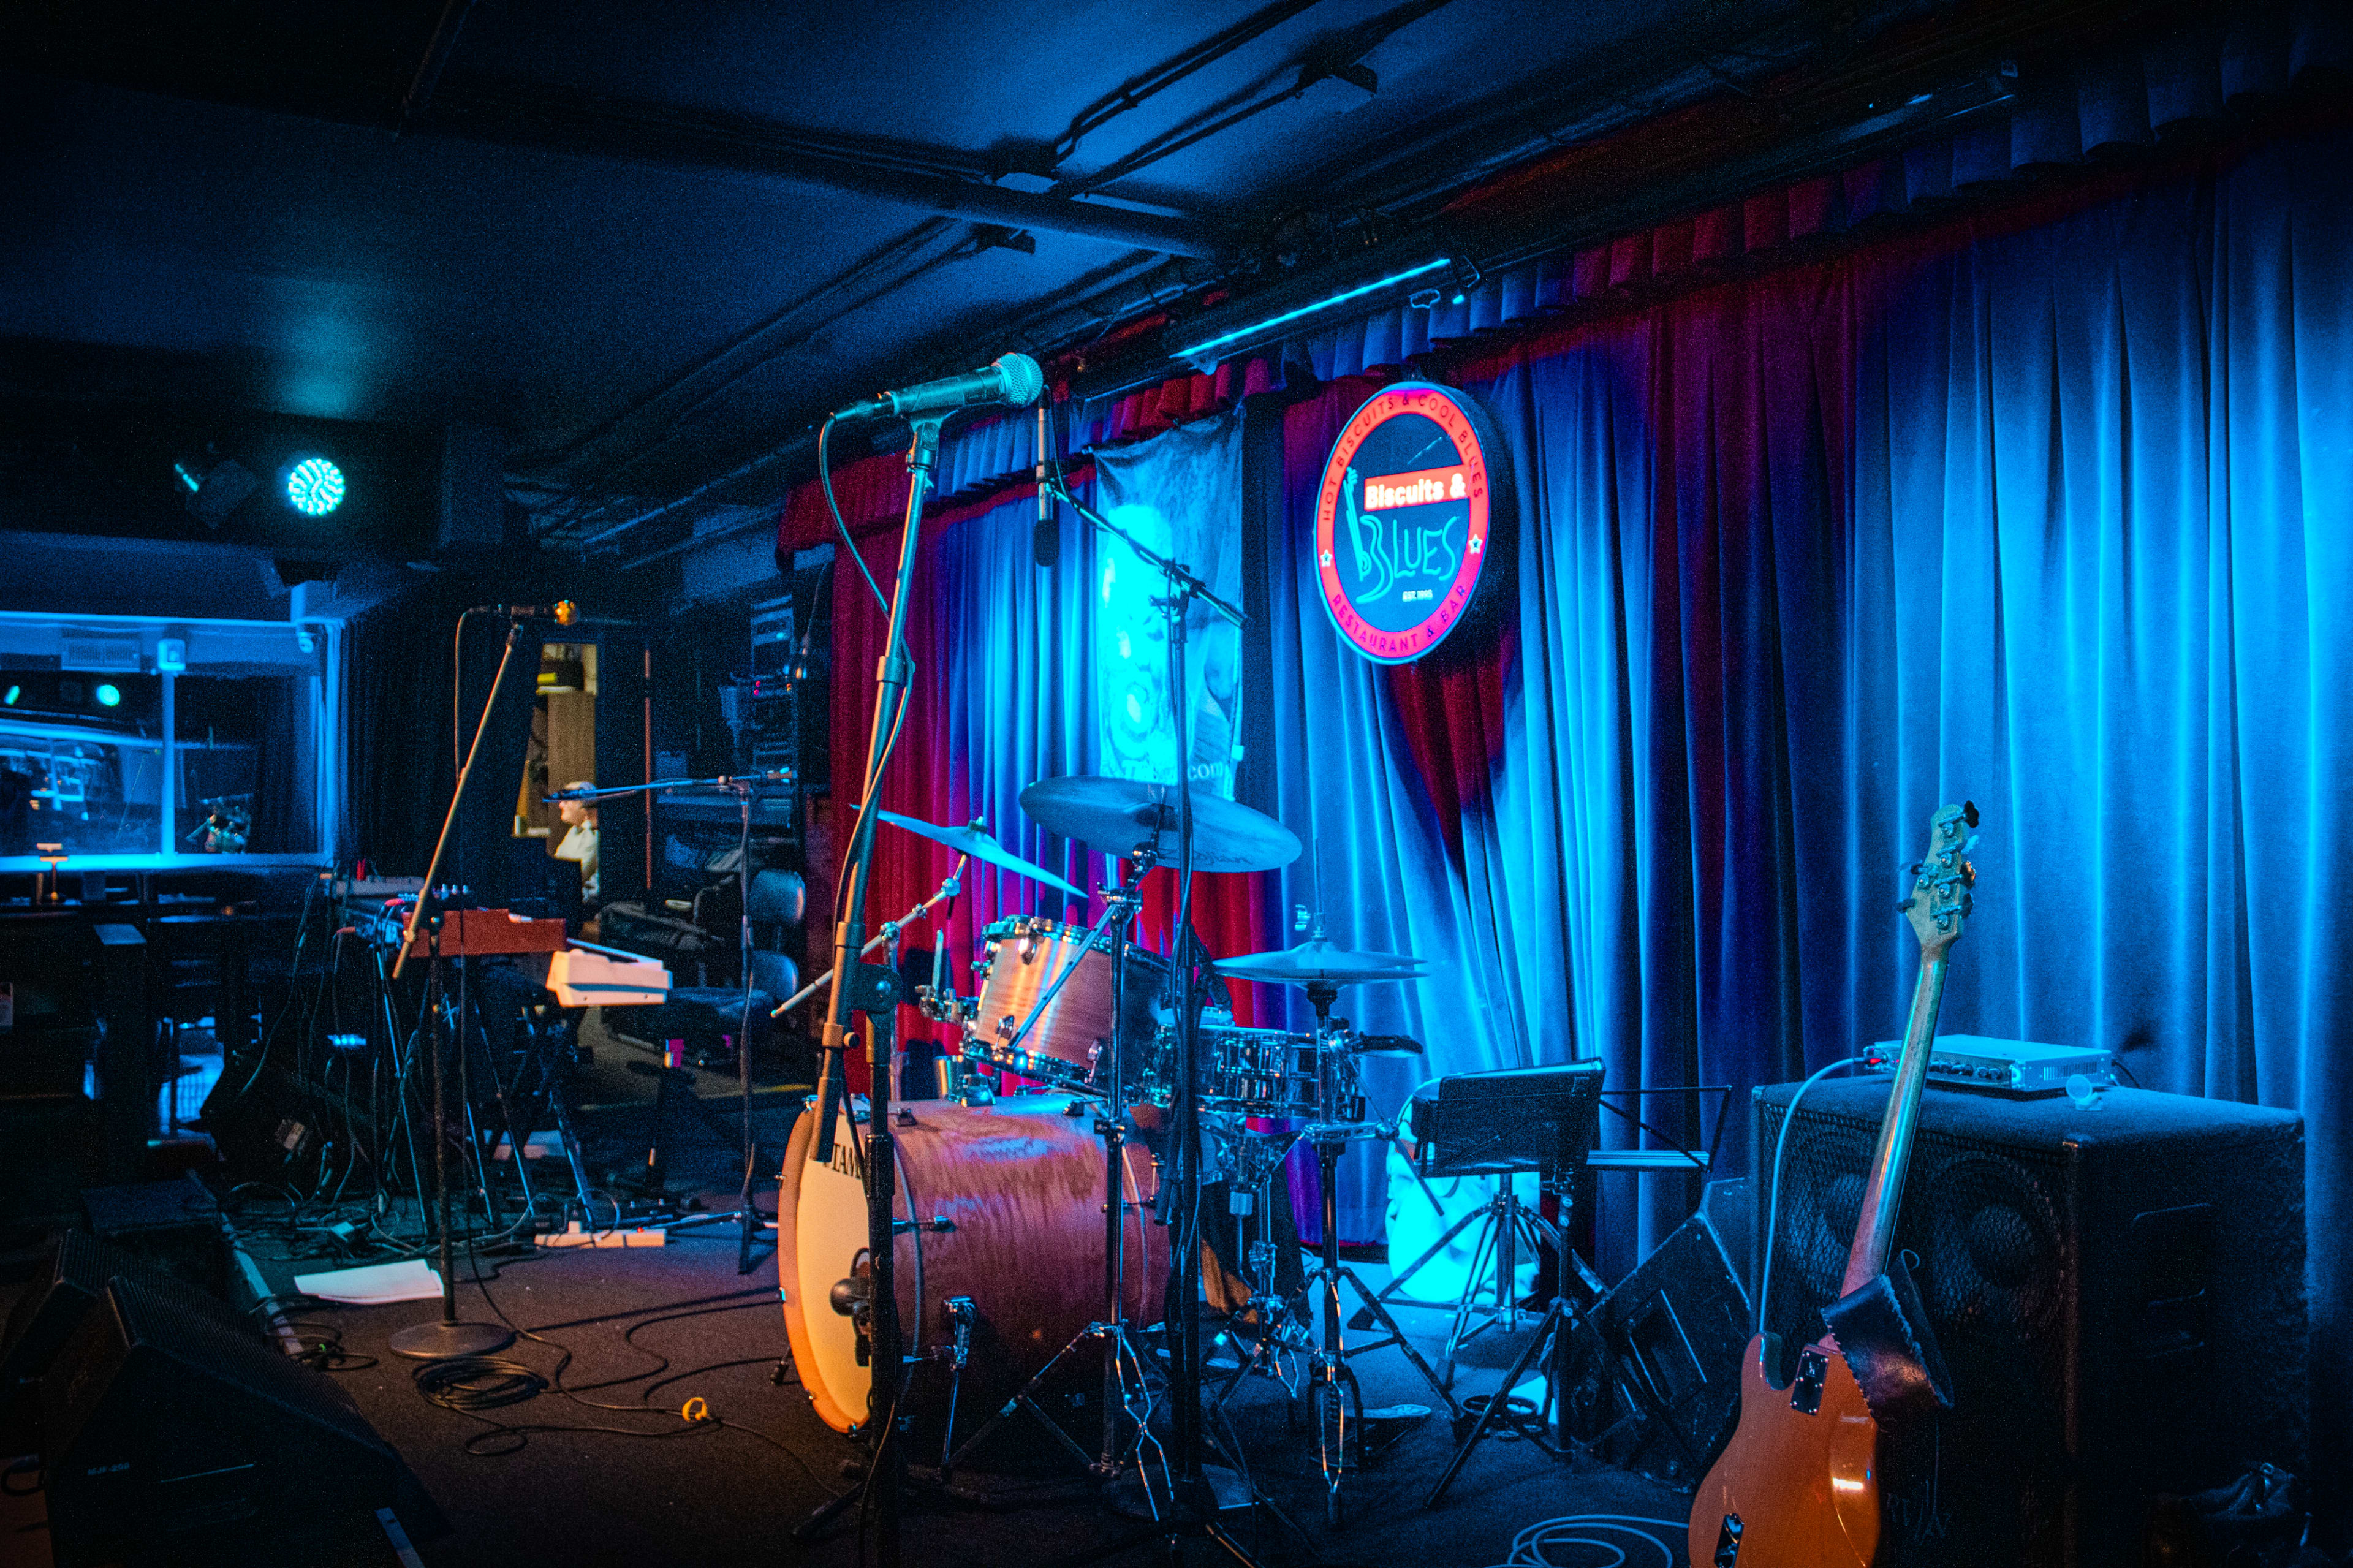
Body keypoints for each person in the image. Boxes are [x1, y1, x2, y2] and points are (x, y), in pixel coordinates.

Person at [554, 782, 599, 903]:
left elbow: (573, 878)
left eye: (567, 800)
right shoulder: (574, 832)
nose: (561, 805)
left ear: (585, 804)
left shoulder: (595, 836)